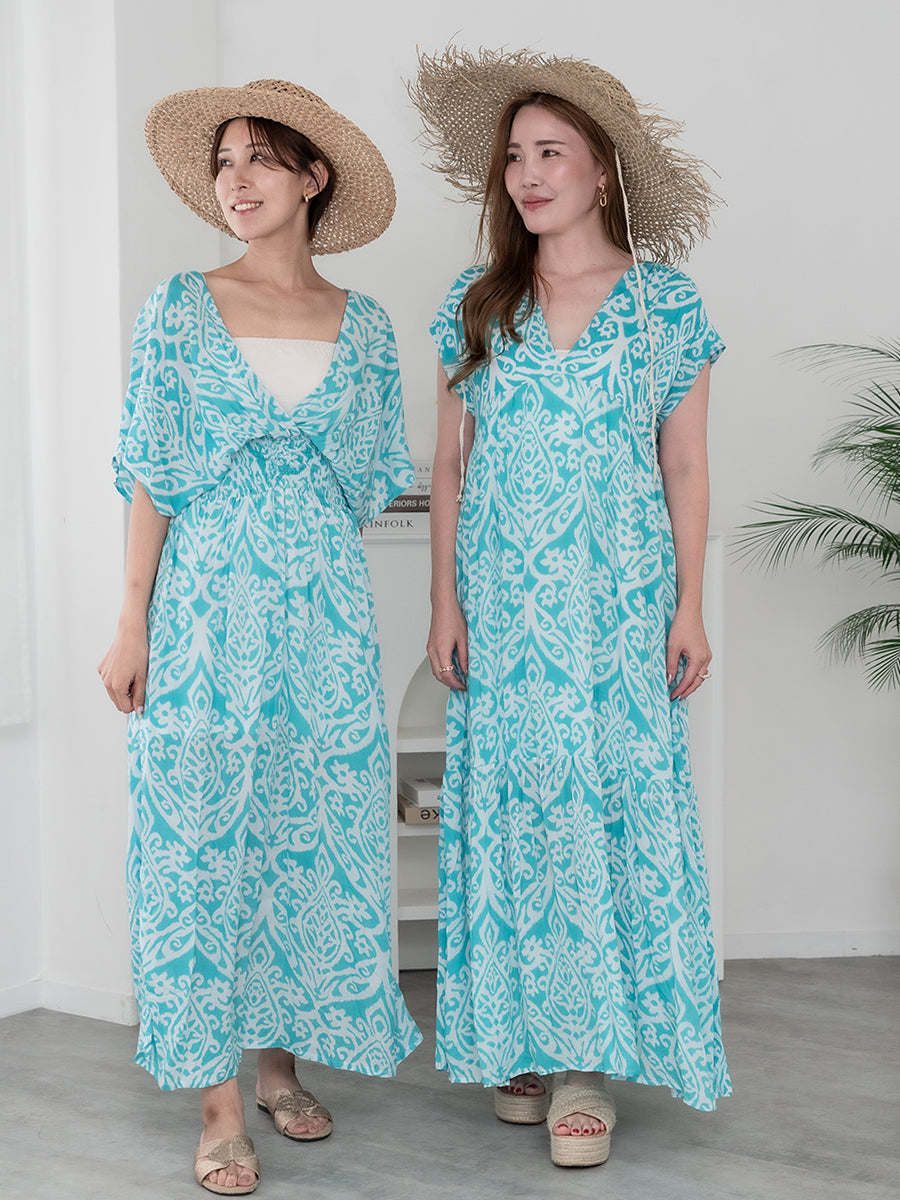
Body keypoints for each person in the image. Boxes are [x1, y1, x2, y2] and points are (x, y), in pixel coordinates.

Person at [98, 79, 420, 1195]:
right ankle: (218, 1102)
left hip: (325, 617)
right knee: (199, 839)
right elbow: (150, 471)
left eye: (261, 160)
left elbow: (369, 480)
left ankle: (280, 1065)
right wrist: (131, 621)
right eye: (225, 162)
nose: (235, 181)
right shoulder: (180, 308)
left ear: (312, 178)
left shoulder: (366, 325)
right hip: (201, 608)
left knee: (307, 831)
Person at [411, 47, 731, 1168]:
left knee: (603, 809)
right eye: (515, 157)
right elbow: (449, 465)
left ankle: (586, 1060)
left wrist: (689, 606)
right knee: (516, 810)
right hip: (503, 607)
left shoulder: (664, 306)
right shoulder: (478, 302)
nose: (529, 175)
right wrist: (443, 599)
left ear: (603, 172)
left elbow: (684, 465)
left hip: (615, 605)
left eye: (553, 153)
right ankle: (522, 1040)